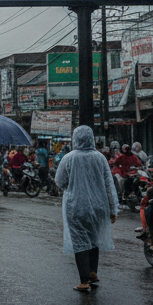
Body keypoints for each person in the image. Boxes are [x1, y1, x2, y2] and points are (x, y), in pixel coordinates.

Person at [54, 125, 119, 291]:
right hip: (99, 206)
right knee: (93, 238)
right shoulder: (100, 158)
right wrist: (113, 209)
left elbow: (60, 182)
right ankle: (92, 272)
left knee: (79, 242)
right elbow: (108, 185)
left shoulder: (68, 158)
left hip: (76, 206)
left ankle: (84, 281)